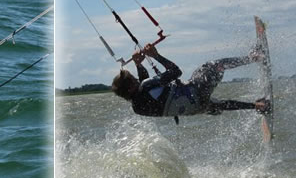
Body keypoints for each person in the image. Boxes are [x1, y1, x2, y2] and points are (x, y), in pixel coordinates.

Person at [112, 44, 270, 118]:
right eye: (133, 79)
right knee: (213, 66)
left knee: (218, 104)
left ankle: (259, 106)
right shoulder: (146, 86)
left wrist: (138, 64)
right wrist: (156, 55)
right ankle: (254, 57)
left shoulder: (138, 108)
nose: (135, 79)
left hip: (195, 108)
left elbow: (144, 86)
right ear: (131, 87)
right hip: (195, 92)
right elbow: (176, 71)